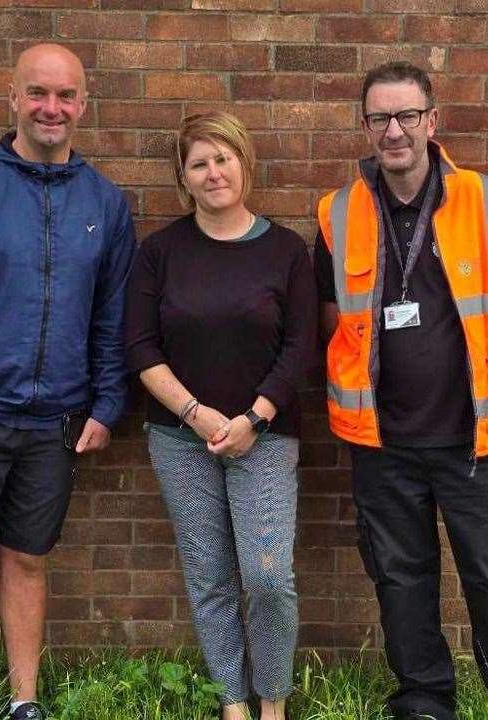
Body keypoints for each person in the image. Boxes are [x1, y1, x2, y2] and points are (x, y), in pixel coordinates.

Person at [314, 62, 488, 720]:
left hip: (473, 441)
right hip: (382, 443)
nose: (393, 130)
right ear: (365, 126)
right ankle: (424, 703)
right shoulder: (337, 215)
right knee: (402, 584)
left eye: (406, 116)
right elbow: (332, 318)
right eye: (379, 118)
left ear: (432, 120)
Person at [0, 43, 135, 720]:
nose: (51, 108)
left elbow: (112, 313)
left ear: (84, 105)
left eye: (66, 96)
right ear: (12, 97)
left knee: (29, 557)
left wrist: (107, 399)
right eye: (38, 93)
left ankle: (23, 701)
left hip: (54, 422)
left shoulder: (104, 201)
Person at [125, 111, 317, 720]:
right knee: (209, 575)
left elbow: (301, 349)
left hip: (266, 436)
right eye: (199, 163)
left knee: (266, 576)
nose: (214, 173)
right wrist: (197, 414)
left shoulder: (287, 251)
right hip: (180, 439)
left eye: (224, 158)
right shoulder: (159, 253)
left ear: (245, 164)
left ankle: (272, 703)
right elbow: (138, 346)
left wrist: (253, 419)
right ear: (183, 178)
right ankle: (233, 702)